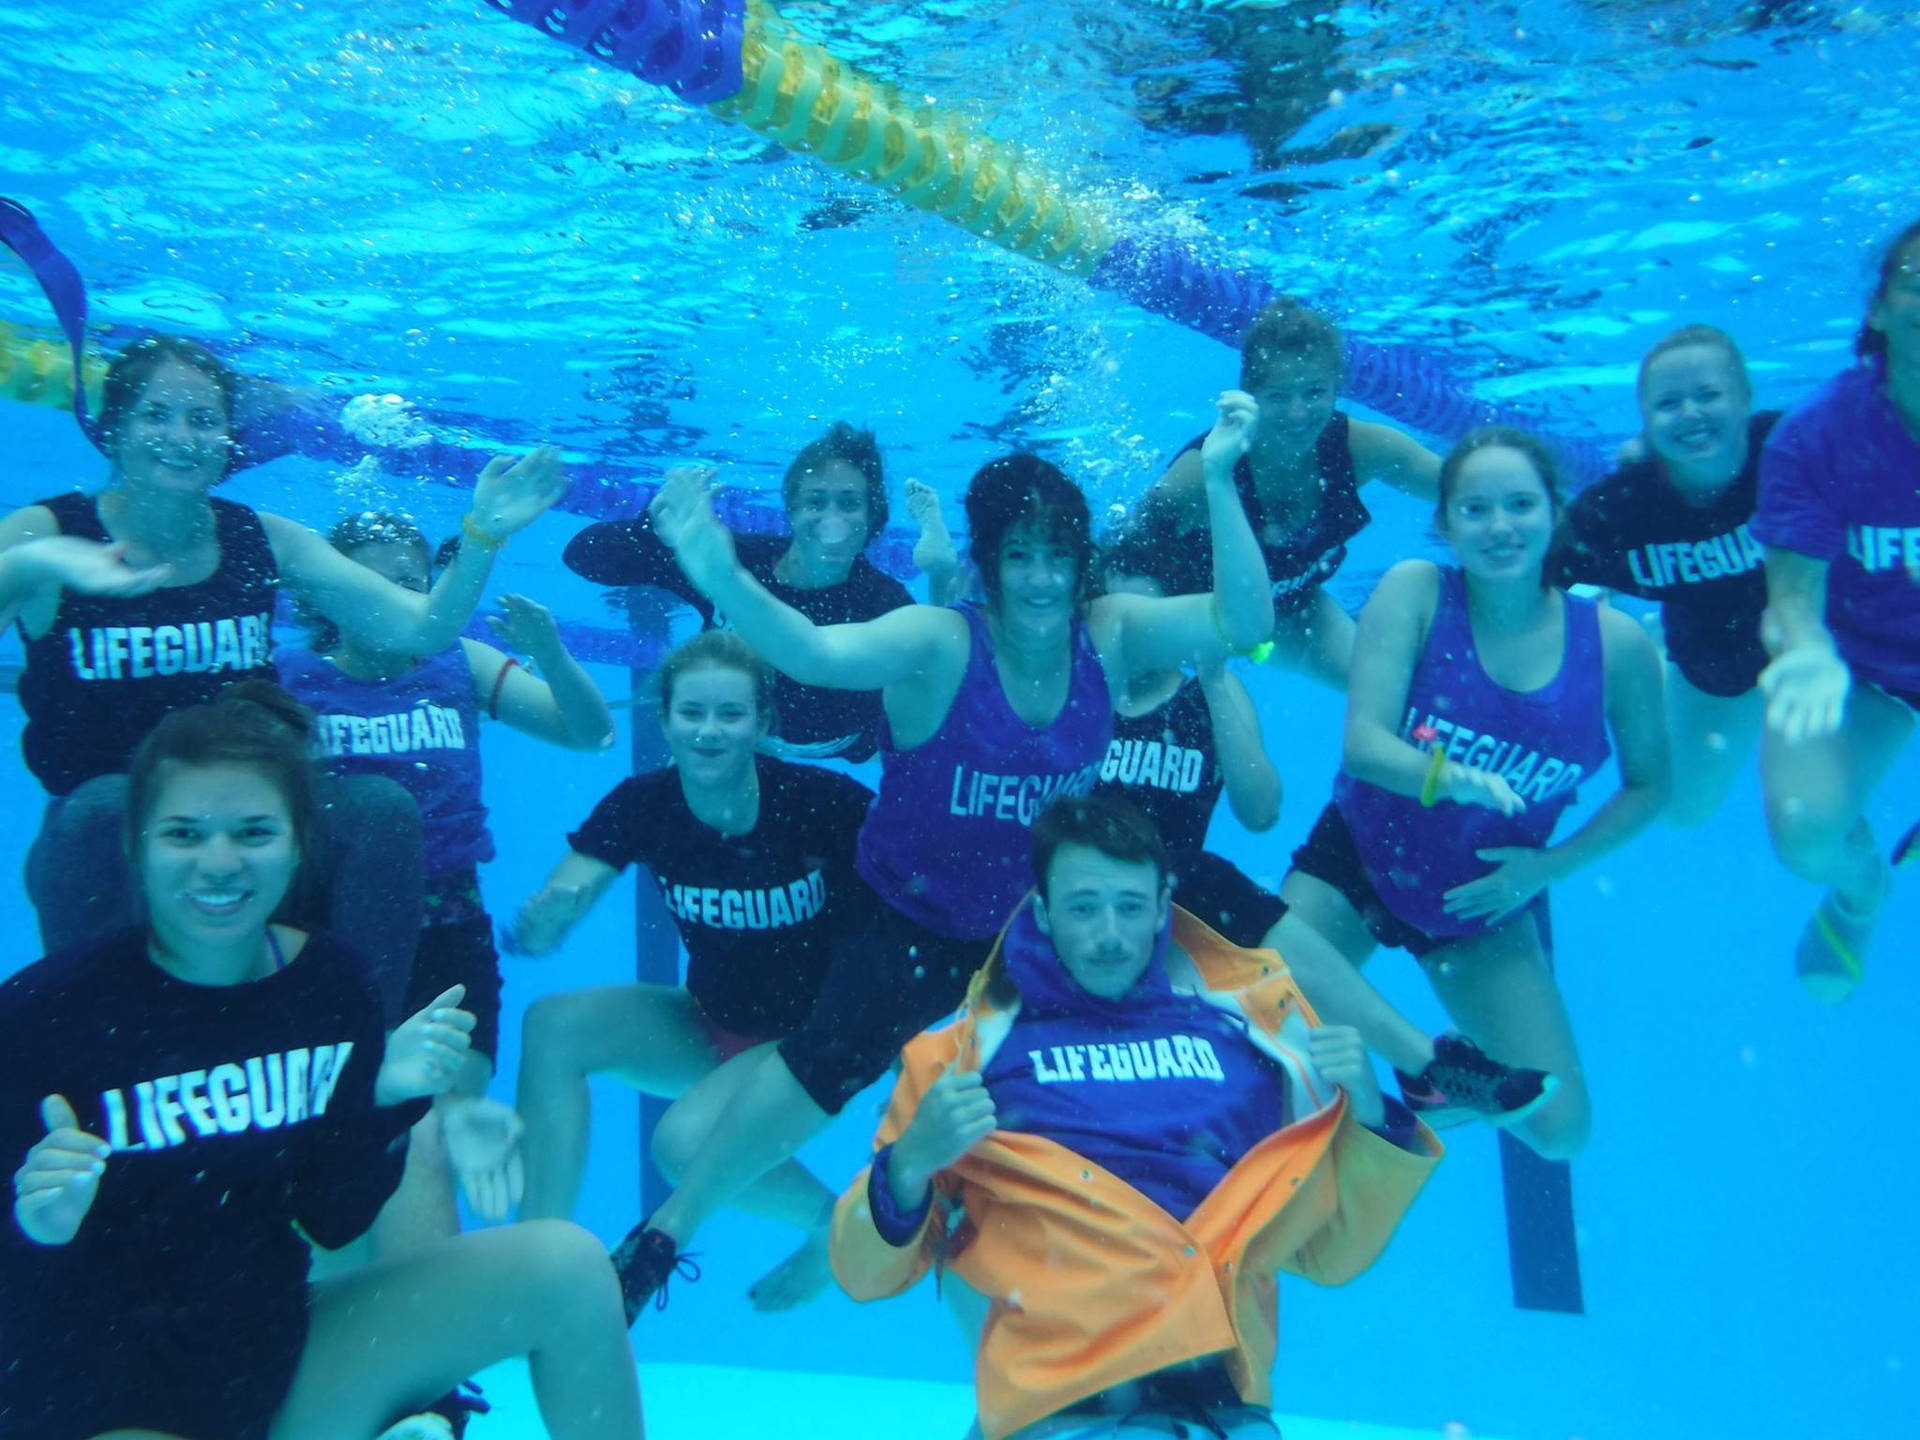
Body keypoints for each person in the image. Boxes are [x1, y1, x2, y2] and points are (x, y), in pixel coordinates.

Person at [606, 394, 1277, 1317]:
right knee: (822, 1068)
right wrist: (714, 564)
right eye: (1020, 558)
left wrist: (1222, 478)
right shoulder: (940, 640)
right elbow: (808, 652)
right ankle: (661, 1238)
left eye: (1058, 558)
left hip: (1024, 941)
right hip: (906, 919)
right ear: (986, 563)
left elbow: (1246, 624)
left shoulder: (1111, 632)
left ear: (1082, 563)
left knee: (1016, 1146)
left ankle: (1067, 1331)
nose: (1041, 582)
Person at [0, 683, 643, 1440]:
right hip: (98, 1396)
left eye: (252, 832)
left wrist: (384, 1099)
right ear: (136, 844)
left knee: (567, 1268)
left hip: (270, 1363)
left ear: (300, 843)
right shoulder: (49, 1011)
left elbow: (332, 1218)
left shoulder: (328, 985)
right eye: (183, 834)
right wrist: (36, 1225)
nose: (218, 863)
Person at [830, 794, 1439, 1440]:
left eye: (1129, 907)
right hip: (1061, 1408)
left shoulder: (1258, 1044)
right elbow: (865, 1273)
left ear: (1161, 909)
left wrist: (1371, 1117)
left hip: (1224, 1409)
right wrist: (909, 1164)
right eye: (1083, 908)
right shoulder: (960, 1060)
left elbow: (1329, 1253)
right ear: (1042, 910)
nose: (1109, 935)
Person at [2, 334, 568, 966]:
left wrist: (482, 531)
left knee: (378, 808)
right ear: (114, 428)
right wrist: (27, 566)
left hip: (248, 827)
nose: (182, 436)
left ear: (228, 440)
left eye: (204, 419)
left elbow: (421, 629)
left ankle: (361, 1039)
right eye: (155, 414)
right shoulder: (46, 533)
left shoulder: (261, 538)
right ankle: (96, 1047)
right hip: (109, 845)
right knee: (103, 806)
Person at [1272, 427, 1669, 1159]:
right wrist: (1443, 775)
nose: (1500, 527)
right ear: (1444, 522)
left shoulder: (1615, 646)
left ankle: (1434, 1088)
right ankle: (1419, 1062)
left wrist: (1548, 869)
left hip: (1485, 900)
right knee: (1252, 1026)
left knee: (1562, 1129)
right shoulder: (1417, 592)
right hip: (1358, 860)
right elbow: (1363, 743)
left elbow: (1652, 787)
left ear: (1555, 512)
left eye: (1520, 504)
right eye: (1476, 509)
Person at [276, 509, 616, 1259]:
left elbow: (590, 733)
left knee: (423, 1134)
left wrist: (550, 653)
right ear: (328, 591)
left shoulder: (456, 661)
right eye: (370, 581)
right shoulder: (290, 682)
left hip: (447, 940)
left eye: (411, 581)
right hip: (335, 944)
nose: (395, 598)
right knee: (342, 1153)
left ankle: (423, 1348)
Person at [508, 630, 875, 1312]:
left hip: (814, 1044)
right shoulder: (643, 804)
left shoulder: (825, 804)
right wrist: (548, 918)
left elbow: (899, 921)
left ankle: (831, 1224)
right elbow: (573, 885)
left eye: (730, 715)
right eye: (692, 713)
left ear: (763, 723)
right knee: (551, 1026)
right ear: (666, 718)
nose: (709, 732)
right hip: (710, 1020)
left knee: (681, 1146)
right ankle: (537, 1254)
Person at [1098, 574, 1551, 1125]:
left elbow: (1261, 811)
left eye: (1160, 622)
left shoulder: (1207, 696)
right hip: (1088, 896)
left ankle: (1429, 1066)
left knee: (1212, 882)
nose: (1148, 637)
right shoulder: (1080, 693)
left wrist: (1215, 680)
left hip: (1176, 898)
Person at [1750, 216, 1920, 1002]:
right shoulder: (1818, 434)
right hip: (1870, 672)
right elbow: (1791, 597)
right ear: (1880, 307)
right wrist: (1808, 650)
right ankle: (1862, 889)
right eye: (1915, 281)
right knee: (1805, 833)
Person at [1109, 298, 1440, 686]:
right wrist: (1156, 647)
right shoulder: (1203, 470)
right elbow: (1121, 561)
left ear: (1337, 387)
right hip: (1196, 613)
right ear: (1250, 395)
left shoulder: (1363, 448)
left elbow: (1466, 489)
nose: (1298, 413)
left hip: (1290, 610)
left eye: (1314, 392)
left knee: (1388, 690)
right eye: (1279, 397)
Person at [564, 421, 913, 759]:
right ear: (792, 511)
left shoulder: (885, 603)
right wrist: (650, 530)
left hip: (839, 747)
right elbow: (582, 556)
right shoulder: (734, 560)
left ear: (873, 515)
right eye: (816, 502)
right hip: (733, 745)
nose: (831, 519)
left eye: (849, 503)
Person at [1554, 325, 1779, 826]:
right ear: (1646, 423)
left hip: (1823, 644)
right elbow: (1534, 588)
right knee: (1683, 810)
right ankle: (1651, 652)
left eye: (1708, 395)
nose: (1691, 414)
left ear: (1745, 399)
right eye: (1669, 404)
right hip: (1715, 664)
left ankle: (1854, 896)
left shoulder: (1791, 450)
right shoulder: (1622, 507)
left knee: (1813, 810)